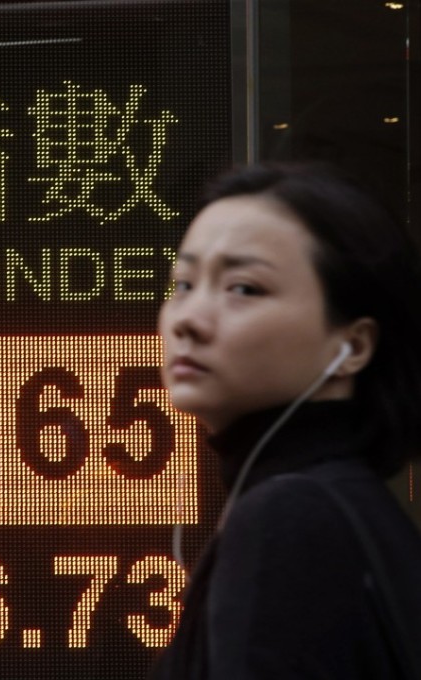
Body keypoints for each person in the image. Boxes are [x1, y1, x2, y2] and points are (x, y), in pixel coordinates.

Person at [150, 163, 421, 679]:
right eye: (183, 283)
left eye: (244, 289)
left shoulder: (290, 517)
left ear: (353, 346)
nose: (188, 319)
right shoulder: (340, 503)